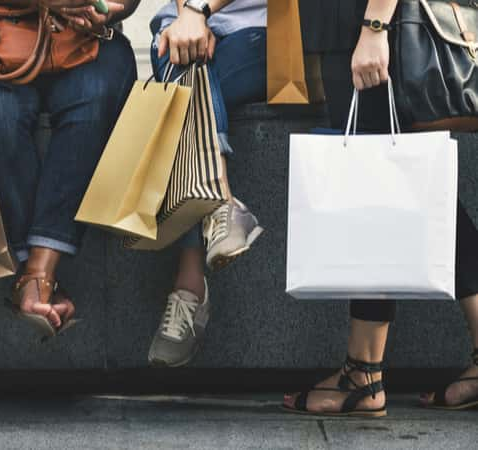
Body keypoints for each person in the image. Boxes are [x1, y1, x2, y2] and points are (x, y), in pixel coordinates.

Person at [282, 0, 478, 416]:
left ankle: (364, 374)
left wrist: (374, 25)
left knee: (380, 190)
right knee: (408, 192)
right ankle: (363, 371)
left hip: (367, 24)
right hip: (357, 26)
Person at [0, 0, 137, 338]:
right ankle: (36, 279)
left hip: (85, 41)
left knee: (94, 99)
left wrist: (111, 7)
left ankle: (37, 271)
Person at [145, 0, 266, 367]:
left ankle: (189, 283)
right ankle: (222, 208)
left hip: (265, 30)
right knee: (179, 56)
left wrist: (200, 9)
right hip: (181, 29)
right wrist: (188, 16)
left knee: (182, 95)